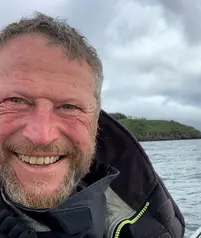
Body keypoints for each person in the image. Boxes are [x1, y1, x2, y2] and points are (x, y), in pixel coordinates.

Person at [0, 12, 185, 238]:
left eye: (69, 107)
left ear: (96, 122)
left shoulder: (150, 222)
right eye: (15, 101)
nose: (42, 135)